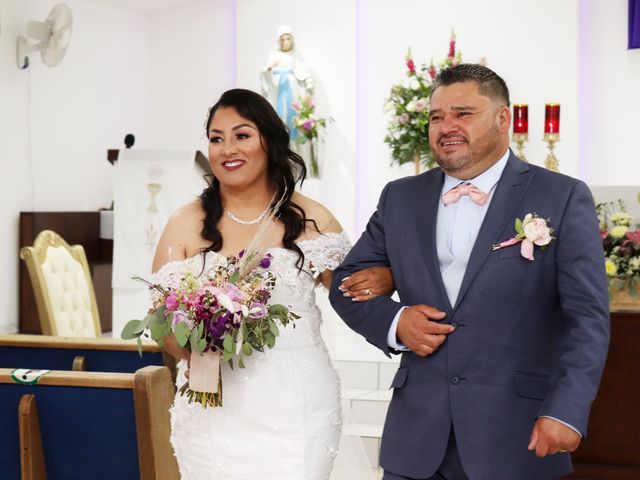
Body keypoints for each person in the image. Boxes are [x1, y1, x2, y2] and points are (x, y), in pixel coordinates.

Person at [330, 64, 610, 480]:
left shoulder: (562, 196)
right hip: (416, 441)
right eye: (436, 116)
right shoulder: (400, 197)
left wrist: (567, 411)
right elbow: (345, 283)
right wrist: (396, 321)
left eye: (462, 113)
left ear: (503, 119)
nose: (446, 127)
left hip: (516, 437)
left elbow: (586, 318)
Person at [151, 88, 391, 479]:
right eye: (216, 138)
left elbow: (354, 292)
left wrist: (387, 278)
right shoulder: (184, 222)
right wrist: (200, 335)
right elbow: (161, 324)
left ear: (269, 141)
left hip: (296, 410)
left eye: (241, 135)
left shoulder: (311, 219)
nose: (228, 148)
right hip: (212, 410)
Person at [260, 25, 314, 141]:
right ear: (279, 41)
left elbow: (302, 69)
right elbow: (265, 73)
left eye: (288, 39)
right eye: (283, 39)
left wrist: (309, 80)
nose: (285, 42)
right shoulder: (274, 54)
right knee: (278, 114)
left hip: (291, 87)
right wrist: (269, 68)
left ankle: (293, 138)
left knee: (292, 113)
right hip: (278, 89)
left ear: (292, 40)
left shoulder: (295, 54)